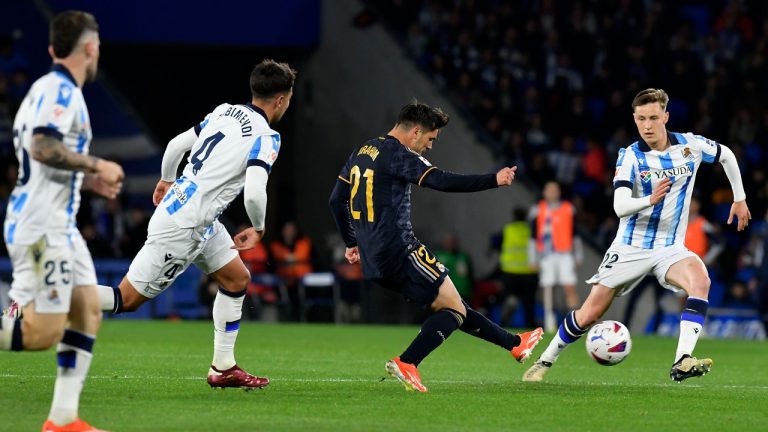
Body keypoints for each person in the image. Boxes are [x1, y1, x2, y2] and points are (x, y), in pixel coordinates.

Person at [523, 88, 751, 383]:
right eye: (641, 118)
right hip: (631, 247)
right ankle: (545, 360)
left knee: (701, 280)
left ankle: (682, 359)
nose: (647, 125)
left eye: (653, 118)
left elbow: (727, 155)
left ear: (665, 117)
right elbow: (619, 207)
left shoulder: (690, 146)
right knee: (590, 312)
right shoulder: (630, 156)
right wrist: (649, 200)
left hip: (670, 248)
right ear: (634, 119)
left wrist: (740, 198)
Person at [96, 59, 296, 390]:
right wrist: (258, 227)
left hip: (197, 217)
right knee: (124, 300)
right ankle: (44, 298)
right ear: (281, 100)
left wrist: (166, 179)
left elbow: (176, 145)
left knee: (236, 279)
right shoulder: (266, 136)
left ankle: (223, 367)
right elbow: (255, 192)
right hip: (184, 227)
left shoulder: (224, 111)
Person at [328, 101, 543, 393]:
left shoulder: (362, 150)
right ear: (415, 132)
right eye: (430, 139)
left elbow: (335, 201)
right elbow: (440, 180)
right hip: (400, 249)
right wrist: (494, 179)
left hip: (373, 257)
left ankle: (515, 344)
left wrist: (352, 241)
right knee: (454, 311)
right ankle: (408, 362)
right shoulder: (398, 154)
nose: (429, 147)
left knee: (452, 304)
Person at [0, 11, 124, 432]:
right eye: (99, 48)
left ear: (54, 48)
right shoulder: (62, 92)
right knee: (39, 333)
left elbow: (44, 161)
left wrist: (88, 181)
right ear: (89, 48)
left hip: (59, 225)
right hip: (43, 228)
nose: (98, 55)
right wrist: (96, 163)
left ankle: (63, 420)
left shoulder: (43, 89)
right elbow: (41, 147)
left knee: (88, 308)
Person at [528, 181, 582, 332]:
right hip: (546, 255)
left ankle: (573, 324)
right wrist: (532, 258)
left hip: (565, 253)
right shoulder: (537, 209)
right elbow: (532, 236)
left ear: (559, 192)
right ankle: (549, 323)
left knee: (569, 286)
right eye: (549, 190)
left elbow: (575, 234)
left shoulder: (568, 208)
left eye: (555, 190)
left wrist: (578, 255)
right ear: (544, 192)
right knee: (547, 288)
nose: (552, 193)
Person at [497, 207, 538, 327]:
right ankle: (530, 325)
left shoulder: (507, 229)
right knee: (529, 302)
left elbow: (496, 244)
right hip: (529, 272)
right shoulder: (531, 230)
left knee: (509, 299)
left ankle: (504, 324)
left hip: (509, 272)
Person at [269, 220, 312, 320]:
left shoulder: (304, 242)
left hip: (302, 280)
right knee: (285, 302)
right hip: (284, 280)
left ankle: (303, 319)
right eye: (287, 230)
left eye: (291, 230)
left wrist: (291, 258)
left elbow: (302, 255)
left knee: (302, 301)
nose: (289, 232)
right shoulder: (276, 244)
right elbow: (278, 255)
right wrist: (289, 258)